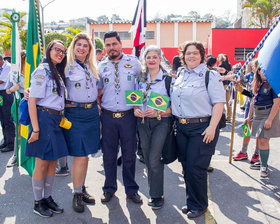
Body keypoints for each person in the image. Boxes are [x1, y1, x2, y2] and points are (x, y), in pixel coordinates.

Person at [171, 41, 225, 218]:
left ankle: (200, 205)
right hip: (181, 126)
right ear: (183, 56)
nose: (191, 56)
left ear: (202, 55)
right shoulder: (180, 74)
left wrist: (212, 127)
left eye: (195, 53)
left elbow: (218, 103)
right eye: (188, 53)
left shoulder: (210, 75)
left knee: (196, 167)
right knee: (186, 167)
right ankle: (191, 201)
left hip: (202, 128)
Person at [98, 31, 142, 204]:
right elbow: (99, 90)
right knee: (108, 155)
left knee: (129, 155)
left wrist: (138, 106)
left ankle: (131, 190)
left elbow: (142, 85)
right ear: (105, 48)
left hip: (128, 117)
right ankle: (109, 189)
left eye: (114, 44)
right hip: (108, 117)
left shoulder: (134, 63)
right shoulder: (101, 66)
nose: (111, 48)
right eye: (108, 45)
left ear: (120, 44)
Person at [25, 40, 68, 217]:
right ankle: (38, 202)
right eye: (57, 49)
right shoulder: (42, 71)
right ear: (49, 50)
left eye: (63, 51)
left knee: (52, 162)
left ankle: (48, 198)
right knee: (42, 163)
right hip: (43, 120)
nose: (60, 53)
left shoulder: (57, 72)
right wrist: (36, 129)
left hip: (56, 120)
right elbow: (32, 101)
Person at [64, 33, 100, 213]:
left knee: (86, 155)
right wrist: (29, 90)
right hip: (75, 113)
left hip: (92, 113)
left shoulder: (92, 66)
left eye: (85, 46)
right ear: (73, 46)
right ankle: (77, 194)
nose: (82, 48)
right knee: (79, 155)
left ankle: (81, 187)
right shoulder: (65, 66)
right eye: (79, 45)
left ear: (89, 49)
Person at [134, 45, 172, 210]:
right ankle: (153, 192)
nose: (151, 60)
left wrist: (158, 110)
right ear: (144, 59)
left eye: (154, 57)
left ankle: (157, 195)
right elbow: (134, 98)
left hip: (161, 122)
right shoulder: (140, 78)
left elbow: (174, 105)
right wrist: (135, 108)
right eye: (148, 57)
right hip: (142, 123)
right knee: (148, 158)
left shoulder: (168, 79)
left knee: (155, 158)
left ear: (160, 59)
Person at [243, 66, 280, 177]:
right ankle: (244, 151)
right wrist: (249, 116)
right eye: (261, 70)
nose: (263, 73)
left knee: (263, 141)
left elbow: (277, 103)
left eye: (266, 70)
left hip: (267, 113)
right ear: (258, 71)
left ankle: (264, 166)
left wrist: (269, 120)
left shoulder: (273, 84)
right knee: (257, 137)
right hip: (257, 114)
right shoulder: (257, 84)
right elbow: (253, 100)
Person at [233, 59, 260, 167]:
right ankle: (244, 151)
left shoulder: (262, 79)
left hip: (259, 107)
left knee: (259, 131)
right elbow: (251, 94)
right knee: (246, 127)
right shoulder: (251, 76)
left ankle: (257, 153)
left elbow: (256, 96)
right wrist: (240, 89)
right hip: (250, 105)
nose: (252, 68)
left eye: (254, 66)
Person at [6, 50, 26, 167]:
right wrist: (13, 88)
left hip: (34, 101)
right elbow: (8, 90)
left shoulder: (34, 71)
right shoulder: (14, 74)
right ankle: (15, 156)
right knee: (18, 131)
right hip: (19, 102)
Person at [0, 54, 15, 153]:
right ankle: (6, 141)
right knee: (2, 119)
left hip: (6, 93)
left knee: (7, 118)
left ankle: (11, 143)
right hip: (1, 94)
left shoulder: (8, 67)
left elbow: (1, 81)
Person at [218, 53, 232, 122]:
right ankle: (229, 117)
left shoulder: (221, 65)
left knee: (221, 100)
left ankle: (222, 116)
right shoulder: (229, 64)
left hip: (223, 84)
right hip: (229, 83)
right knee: (228, 100)